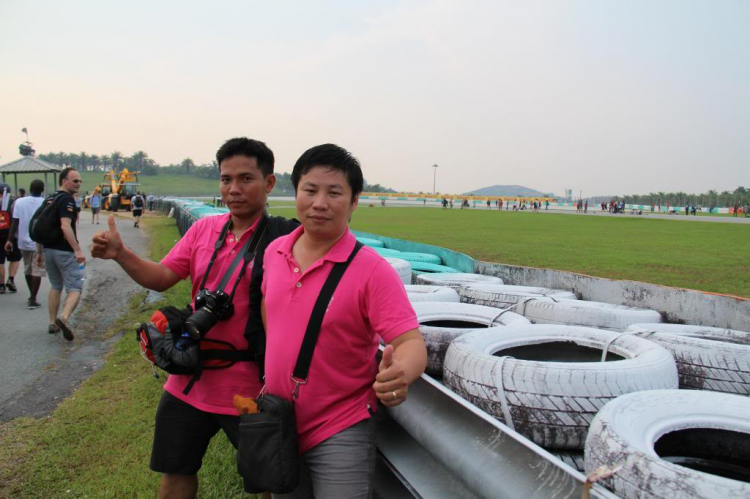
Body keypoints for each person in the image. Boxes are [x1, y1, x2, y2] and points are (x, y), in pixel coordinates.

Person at [91, 137, 298, 499]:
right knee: (175, 472)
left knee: (265, 482)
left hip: (251, 386)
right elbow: (161, 276)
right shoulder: (204, 231)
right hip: (190, 380)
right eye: (226, 179)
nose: (234, 189)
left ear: (268, 183)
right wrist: (121, 254)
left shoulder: (288, 239)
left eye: (246, 179)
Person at [256, 144, 427, 498]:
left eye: (334, 193)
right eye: (310, 190)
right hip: (279, 418)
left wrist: (401, 373)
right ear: (296, 192)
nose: (320, 203)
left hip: (340, 426)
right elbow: (269, 308)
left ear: (353, 202)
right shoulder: (275, 252)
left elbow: (411, 342)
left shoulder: (373, 271)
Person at [42, 168, 85, 340]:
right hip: (63, 250)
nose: (78, 184)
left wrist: (39, 252)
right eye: (75, 181)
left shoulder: (49, 199)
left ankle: (52, 322)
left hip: (48, 249)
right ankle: (64, 317)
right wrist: (77, 249)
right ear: (64, 181)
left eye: (80, 181)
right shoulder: (66, 200)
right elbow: (65, 226)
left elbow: (42, 226)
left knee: (56, 285)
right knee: (75, 287)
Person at [5, 179, 46, 308]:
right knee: (37, 270)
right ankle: (33, 298)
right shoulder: (45, 202)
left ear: (30, 188)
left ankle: (31, 295)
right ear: (42, 190)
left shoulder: (19, 202)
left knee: (28, 269)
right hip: (39, 240)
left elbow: (15, 222)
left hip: (22, 240)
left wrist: (9, 239)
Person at [0, 183, 22, 294]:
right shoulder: (14, 203)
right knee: (14, 258)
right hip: (12, 235)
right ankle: (11, 279)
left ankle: (1, 285)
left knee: (0, 261)